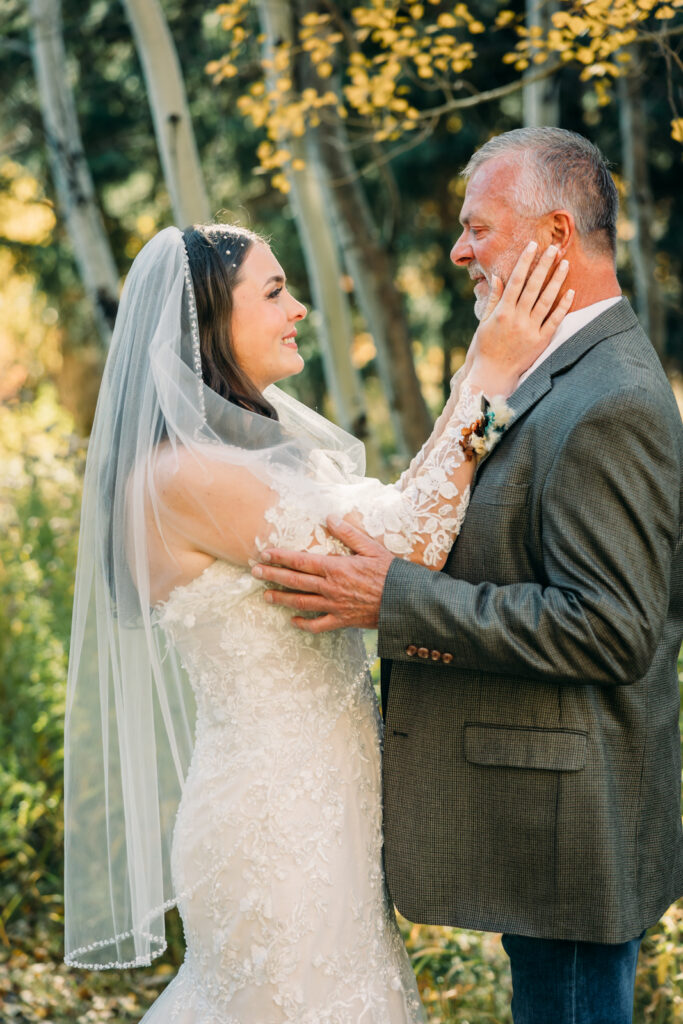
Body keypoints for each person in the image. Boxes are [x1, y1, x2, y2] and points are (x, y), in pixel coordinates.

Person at [63, 218, 571, 1022]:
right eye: (273, 292)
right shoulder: (187, 477)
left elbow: (396, 516)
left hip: (322, 810)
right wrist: (489, 379)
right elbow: (404, 544)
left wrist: (480, 380)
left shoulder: (236, 459)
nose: (297, 307)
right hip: (277, 827)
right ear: (206, 323)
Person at [253, 127, 683, 1024]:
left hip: (572, 820)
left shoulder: (612, 399)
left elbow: (610, 625)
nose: (456, 251)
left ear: (556, 236)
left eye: (476, 228)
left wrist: (395, 599)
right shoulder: (545, 369)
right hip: (538, 808)